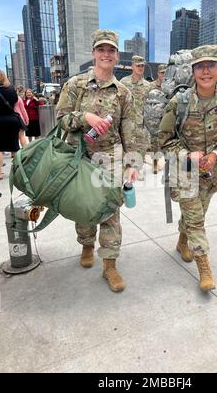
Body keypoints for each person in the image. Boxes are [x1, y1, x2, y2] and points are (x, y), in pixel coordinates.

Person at [56, 29, 138, 293]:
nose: (106, 54)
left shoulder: (124, 92)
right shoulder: (75, 85)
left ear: (116, 55)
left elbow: (131, 129)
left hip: (110, 160)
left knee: (111, 211)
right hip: (80, 157)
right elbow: (61, 120)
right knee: (83, 208)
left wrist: (133, 164)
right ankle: (87, 244)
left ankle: (110, 265)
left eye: (111, 50)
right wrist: (86, 118)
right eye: (101, 49)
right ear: (93, 53)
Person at [159, 45, 217, 292]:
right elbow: (163, 141)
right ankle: (204, 267)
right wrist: (188, 156)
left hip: (210, 174)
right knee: (196, 220)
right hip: (184, 174)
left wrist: (216, 154)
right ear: (193, 71)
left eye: (211, 65)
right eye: (200, 66)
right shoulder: (180, 102)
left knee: (198, 215)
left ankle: (182, 241)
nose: (206, 71)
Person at [120, 56, 151, 180]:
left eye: (142, 66)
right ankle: (128, 168)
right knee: (126, 145)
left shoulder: (148, 86)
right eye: (138, 65)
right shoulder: (123, 82)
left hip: (141, 122)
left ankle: (138, 169)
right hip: (126, 121)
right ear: (132, 66)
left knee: (141, 147)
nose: (140, 68)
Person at [0, 69, 21, 184]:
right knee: (15, 146)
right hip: (12, 120)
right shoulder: (11, 90)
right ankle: (18, 172)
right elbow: (15, 102)